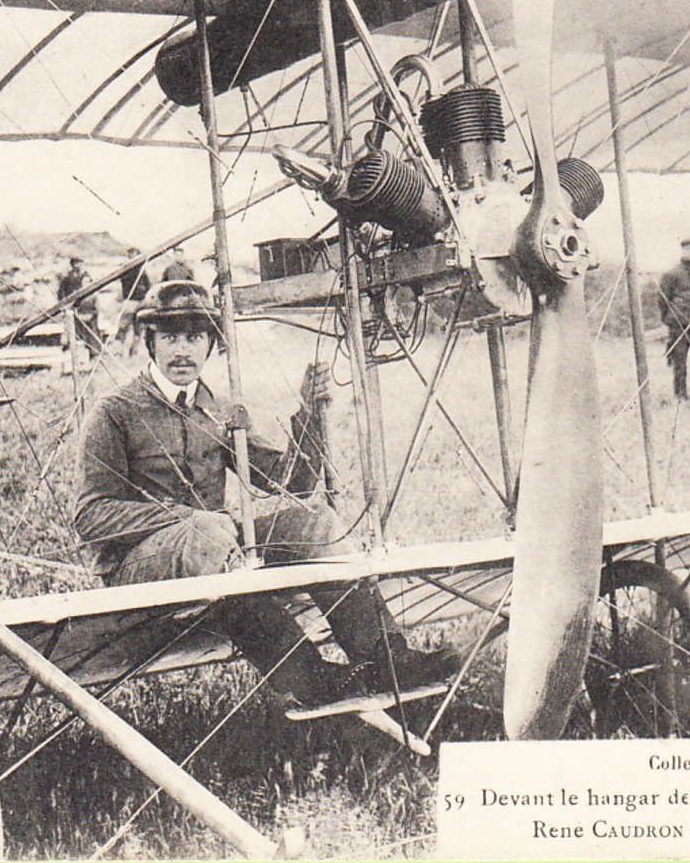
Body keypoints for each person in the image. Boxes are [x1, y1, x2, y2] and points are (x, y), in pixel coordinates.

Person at [74, 280, 458, 707]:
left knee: (313, 523)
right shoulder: (115, 411)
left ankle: (386, 658)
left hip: (213, 550)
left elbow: (290, 482)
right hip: (138, 568)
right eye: (170, 337)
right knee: (210, 533)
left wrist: (309, 415)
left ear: (210, 345)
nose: (182, 350)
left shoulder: (217, 409)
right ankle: (308, 678)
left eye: (195, 337)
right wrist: (182, 519)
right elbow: (91, 516)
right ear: (150, 343)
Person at [656, 235, 690, 400]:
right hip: (679, 325)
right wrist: (670, 319)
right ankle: (680, 397)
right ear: (683, 250)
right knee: (679, 363)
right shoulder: (671, 273)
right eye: (688, 248)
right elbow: (663, 300)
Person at [58, 255, 102, 358]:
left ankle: (93, 354)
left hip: (87, 310)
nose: (78, 266)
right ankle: (79, 354)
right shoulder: (67, 279)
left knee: (91, 333)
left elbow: (93, 295)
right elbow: (61, 294)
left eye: (80, 263)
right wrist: (65, 306)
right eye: (76, 264)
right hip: (75, 310)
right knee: (78, 333)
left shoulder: (85, 277)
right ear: (73, 265)